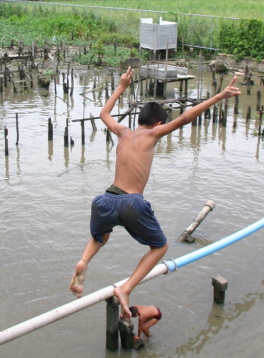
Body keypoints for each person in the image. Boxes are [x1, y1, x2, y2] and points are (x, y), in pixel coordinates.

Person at [69, 66, 241, 318]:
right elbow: (185, 118)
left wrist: (121, 87)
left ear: (138, 119)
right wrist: (218, 96)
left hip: (105, 199)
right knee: (160, 247)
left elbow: (103, 113)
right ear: (159, 123)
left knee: (100, 236)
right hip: (132, 203)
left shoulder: (123, 132)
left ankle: (84, 260)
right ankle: (126, 288)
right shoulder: (153, 134)